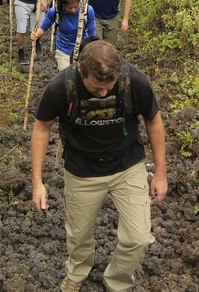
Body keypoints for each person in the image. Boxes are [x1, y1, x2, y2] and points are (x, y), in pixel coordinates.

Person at [30, 40, 168, 292]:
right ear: (81, 70)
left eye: (109, 87)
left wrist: (160, 173)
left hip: (127, 165)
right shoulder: (61, 87)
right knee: (79, 236)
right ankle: (76, 274)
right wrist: (37, 182)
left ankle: (117, 280)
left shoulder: (134, 82)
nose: (104, 93)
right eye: (96, 88)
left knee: (138, 238)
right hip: (82, 170)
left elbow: (154, 123)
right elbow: (41, 128)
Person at [30, 0, 96, 71]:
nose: (73, 10)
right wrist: (36, 35)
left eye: (76, 7)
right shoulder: (55, 11)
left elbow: (92, 33)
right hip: (63, 50)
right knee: (66, 77)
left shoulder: (87, 10)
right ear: (63, 5)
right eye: (69, 8)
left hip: (82, 50)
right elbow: (43, 28)